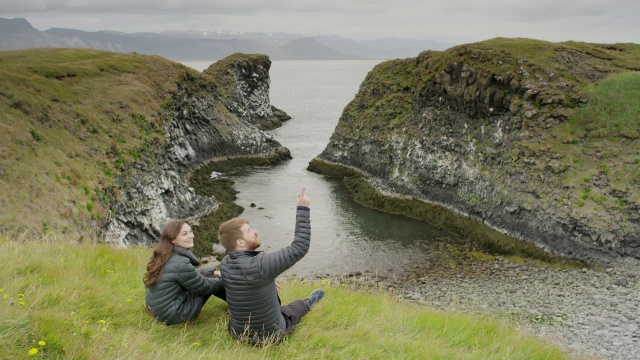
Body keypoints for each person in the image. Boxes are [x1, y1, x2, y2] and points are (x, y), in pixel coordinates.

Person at [218, 187, 324, 345]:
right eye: (249, 231)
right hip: (271, 337)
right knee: (295, 307)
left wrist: (268, 279)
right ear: (240, 242)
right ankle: (311, 301)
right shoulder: (261, 264)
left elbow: (249, 277)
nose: (255, 231)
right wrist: (303, 208)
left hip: (239, 334)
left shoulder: (225, 264)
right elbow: (299, 247)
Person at [144, 219, 226, 325]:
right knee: (212, 280)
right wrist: (225, 279)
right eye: (184, 234)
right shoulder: (180, 262)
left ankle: (236, 304)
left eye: (191, 231)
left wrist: (212, 273)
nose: (191, 236)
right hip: (174, 315)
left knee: (209, 274)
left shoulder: (164, 254)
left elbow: (188, 275)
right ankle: (240, 306)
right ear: (173, 239)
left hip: (157, 310)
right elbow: (204, 286)